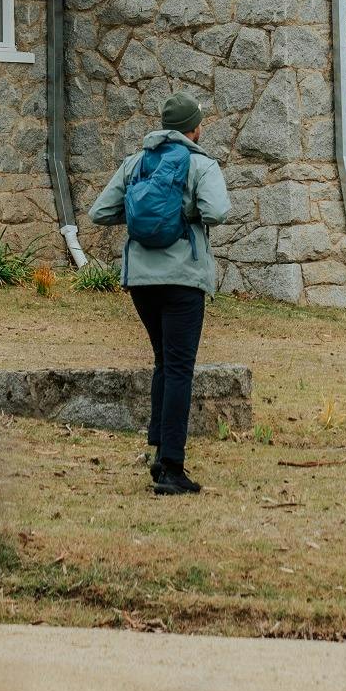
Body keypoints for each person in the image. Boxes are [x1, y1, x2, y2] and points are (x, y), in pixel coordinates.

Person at [87, 91, 231, 495]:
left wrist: (138, 215)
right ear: (195, 128)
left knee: (163, 362)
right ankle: (171, 466)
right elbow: (218, 211)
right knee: (179, 367)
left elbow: (99, 212)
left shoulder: (134, 164)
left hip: (142, 282)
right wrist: (185, 213)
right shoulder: (202, 165)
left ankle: (159, 452)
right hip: (183, 279)